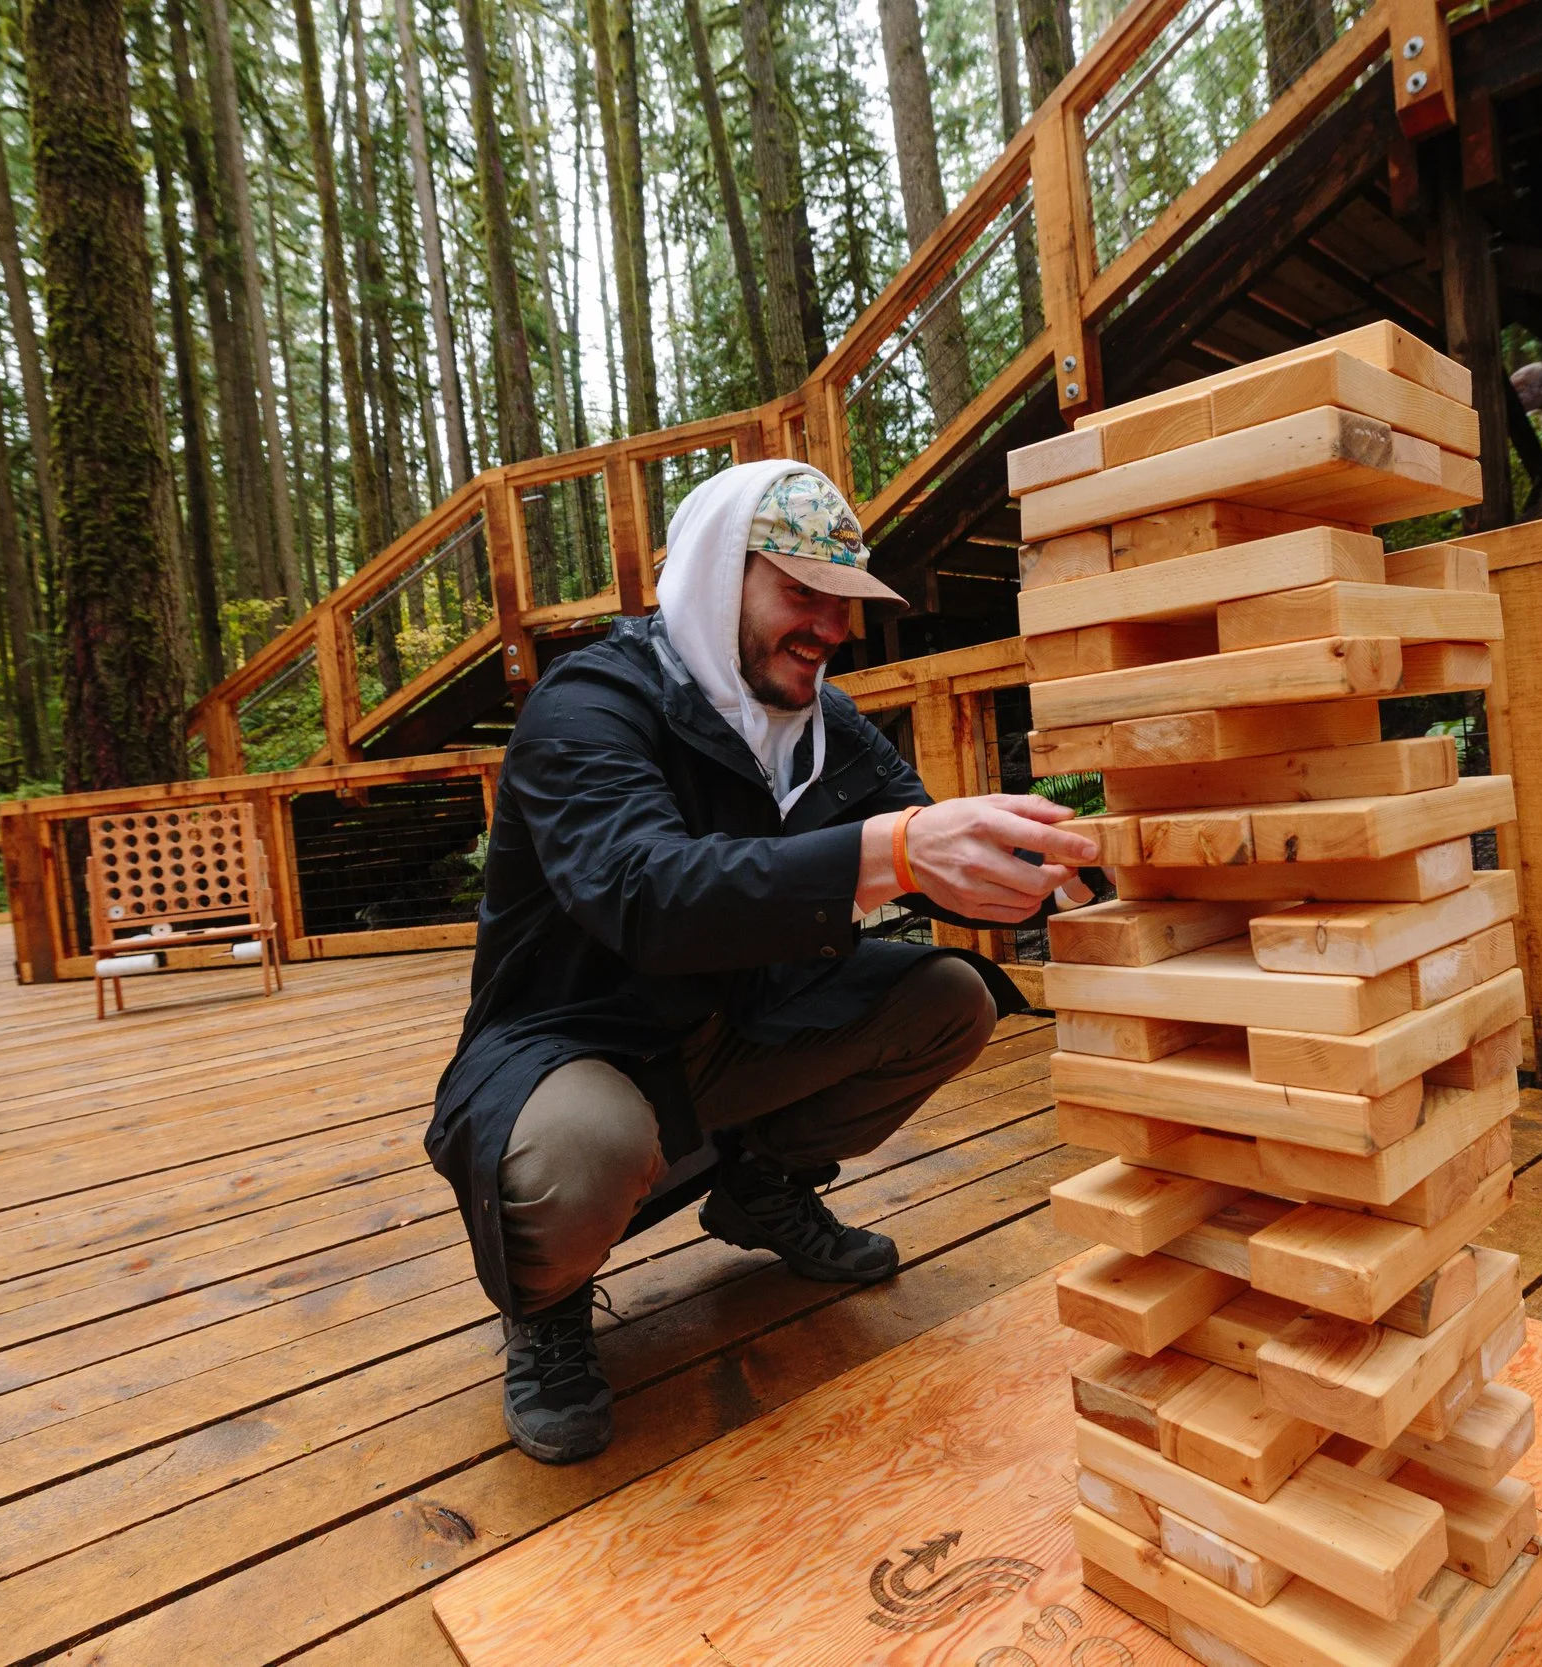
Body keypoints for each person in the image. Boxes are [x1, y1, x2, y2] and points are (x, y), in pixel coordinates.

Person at [428, 459, 1099, 1464]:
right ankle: (548, 1306)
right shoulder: (586, 707)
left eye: (845, 604)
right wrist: (899, 848)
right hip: (574, 1042)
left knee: (950, 998)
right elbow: (645, 893)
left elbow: (928, 852)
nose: (833, 628)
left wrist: (1086, 864)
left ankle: (763, 1186)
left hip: (744, 1018)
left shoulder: (822, 720)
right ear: (713, 575)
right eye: (801, 593)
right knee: (579, 1151)